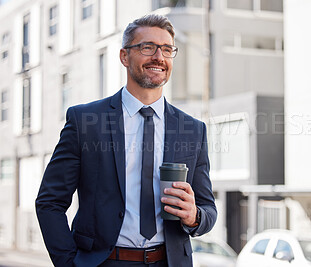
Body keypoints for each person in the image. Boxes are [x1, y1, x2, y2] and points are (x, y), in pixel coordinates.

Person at [36, 14, 217, 267]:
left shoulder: (193, 130)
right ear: (124, 56)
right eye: (147, 47)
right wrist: (69, 263)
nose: (159, 57)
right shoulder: (85, 121)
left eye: (167, 49)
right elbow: (50, 202)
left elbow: (208, 209)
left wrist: (194, 216)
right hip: (104, 261)